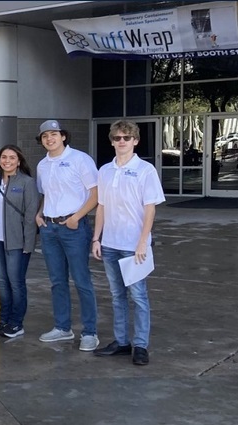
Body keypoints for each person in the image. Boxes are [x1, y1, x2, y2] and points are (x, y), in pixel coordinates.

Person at [91, 120, 164, 366]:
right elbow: (101, 206)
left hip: (133, 246)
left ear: (135, 141)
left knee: (139, 296)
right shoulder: (104, 170)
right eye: (117, 138)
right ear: (111, 141)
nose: (121, 141)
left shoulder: (145, 170)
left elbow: (149, 208)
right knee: (116, 295)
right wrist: (96, 238)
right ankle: (122, 342)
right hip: (110, 243)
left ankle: (140, 345)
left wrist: (143, 242)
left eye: (126, 137)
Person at [34, 119, 100, 351]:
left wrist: (76, 217)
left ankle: (90, 332)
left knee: (82, 281)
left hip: (73, 227)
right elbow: (45, 194)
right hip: (50, 229)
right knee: (57, 281)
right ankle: (63, 327)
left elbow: (95, 194)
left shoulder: (80, 159)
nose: (49, 139)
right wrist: (39, 214)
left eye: (54, 134)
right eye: (45, 136)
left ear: (63, 136)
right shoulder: (42, 165)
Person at [0, 145, 39, 339]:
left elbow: (30, 216)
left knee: (16, 283)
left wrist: (28, 244)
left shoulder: (27, 183)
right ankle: (4, 319)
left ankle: (17, 323)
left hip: (17, 243)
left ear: (19, 161)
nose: (7, 161)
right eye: (3, 157)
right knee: (2, 282)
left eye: (11, 157)